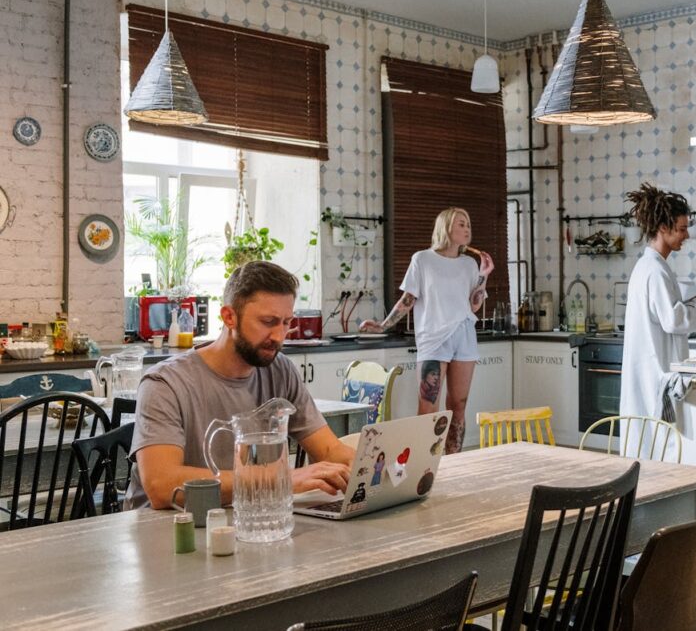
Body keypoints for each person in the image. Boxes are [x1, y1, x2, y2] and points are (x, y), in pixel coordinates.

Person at [126, 261, 354, 510]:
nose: (279, 336)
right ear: (229, 317)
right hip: (169, 530)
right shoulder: (165, 384)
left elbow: (330, 449)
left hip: (248, 520)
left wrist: (380, 467)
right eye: (268, 322)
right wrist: (280, 480)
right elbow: (161, 486)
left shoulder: (281, 370)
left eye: (286, 322)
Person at [359, 207, 493, 453]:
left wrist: (483, 275)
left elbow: (473, 304)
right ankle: (423, 463)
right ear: (446, 228)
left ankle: (455, 461)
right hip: (433, 338)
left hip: (464, 335)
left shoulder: (469, 264)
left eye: (469, 225)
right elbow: (408, 299)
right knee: (428, 408)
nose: (467, 229)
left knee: (458, 405)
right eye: (461, 224)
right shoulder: (422, 259)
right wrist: (383, 326)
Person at [620, 183, 696, 459]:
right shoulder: (654, 270)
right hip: (654, 369)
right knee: (655, 444)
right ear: (663, 229)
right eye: (681, 228)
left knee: (648, 441)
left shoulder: (653, 267)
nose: (686, 235)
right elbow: (674, 320)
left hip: (649, 367)